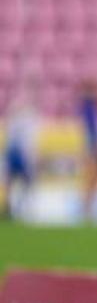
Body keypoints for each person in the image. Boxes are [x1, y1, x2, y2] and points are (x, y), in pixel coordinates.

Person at [3, 93, 39, 221]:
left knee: (15, 183)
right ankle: (14, 207)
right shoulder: (24, 121)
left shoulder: (17, 121)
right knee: (21, 182)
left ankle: (14, 207)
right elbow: (26, 143)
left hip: (15, 154)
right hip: (18, 156)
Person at [78, 80, 97, 221]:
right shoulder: (88, 108)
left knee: (94, 178)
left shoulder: (91, 109)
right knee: (92, 178)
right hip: (92, 147)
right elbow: (91, 132)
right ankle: (87, 209)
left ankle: (88, 208)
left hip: (92, 146)